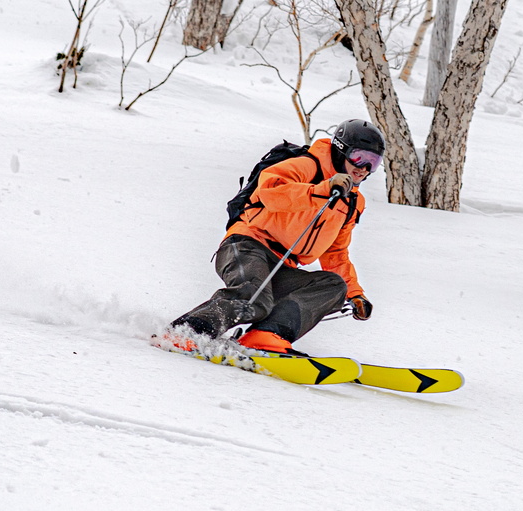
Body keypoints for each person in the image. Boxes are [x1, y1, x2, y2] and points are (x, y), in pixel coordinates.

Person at [163, 119, 385, 355]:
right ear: (341, 150)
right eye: (359, 157)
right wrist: (322, 189)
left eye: (373, 162)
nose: (364, 167)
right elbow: (269, 191)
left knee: (333, 286)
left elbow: (335, 253)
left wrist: (355, 294)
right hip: (248, 245)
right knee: (254, 296)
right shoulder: (307, 166)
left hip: (284, 264)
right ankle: (187, 331)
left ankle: (266, 336)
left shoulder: (351, 201)